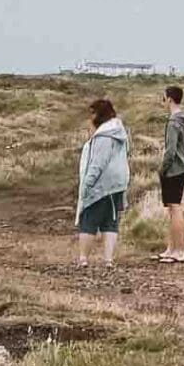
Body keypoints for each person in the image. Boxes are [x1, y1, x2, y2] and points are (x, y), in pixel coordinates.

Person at [75, 97, 129, 267]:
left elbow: (97, 164)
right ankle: (108, 259)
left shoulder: (103, 137)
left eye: (92, 114)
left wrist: (87, 185)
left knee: (88, 220)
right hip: (117, 183)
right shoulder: (118, 132)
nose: (89, 119)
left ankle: (83, 259)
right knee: (109, 221)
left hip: (102, 185)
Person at [157, 83, 184, 264]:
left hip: (174, 170)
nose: (162, 102)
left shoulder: (173, 122)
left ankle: (178, 251)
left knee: (175, 208)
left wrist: (163, 169)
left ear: (170, 99)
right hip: (182, 168)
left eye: (163, 98)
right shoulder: (183, 120)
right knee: (172, 209)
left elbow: (170, 151)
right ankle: (171, 248)